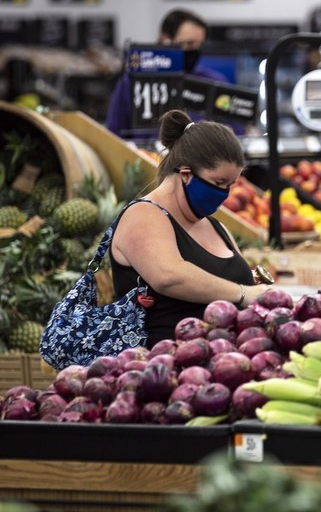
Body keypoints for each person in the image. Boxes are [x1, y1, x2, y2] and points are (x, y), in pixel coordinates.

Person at [109, 109, 269, 345]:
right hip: (162, 370)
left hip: (226, 366)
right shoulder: (143, 215)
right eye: (219, 183)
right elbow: (169, 276)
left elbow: (245, 286)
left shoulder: (216, 227)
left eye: (231, 185)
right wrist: (242, 294)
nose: (224, 194)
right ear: (186, 174)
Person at [105, 8, 229, 137]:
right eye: (189, 43)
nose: (194, 50)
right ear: (165, 39)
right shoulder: (131, 82)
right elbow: (114, 136)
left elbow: (233, 137)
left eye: (199, 45)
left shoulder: (215, 82)